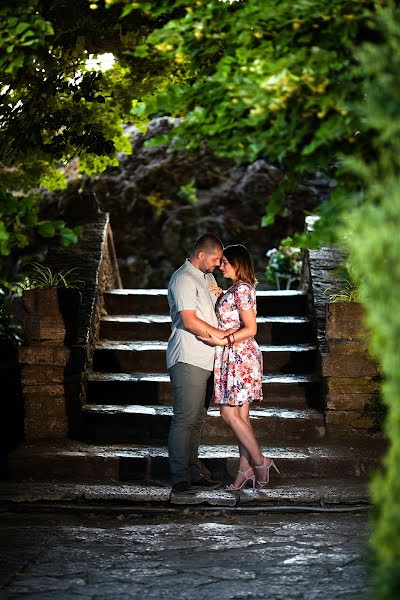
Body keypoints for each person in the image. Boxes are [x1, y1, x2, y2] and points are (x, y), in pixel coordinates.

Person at [198, 244, 279, 490]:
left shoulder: (242, 289)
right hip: (233, 355)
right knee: (241, 416)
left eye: (225, 262)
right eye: (220, 262)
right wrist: (220, 293)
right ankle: (245, 469)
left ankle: (260, 461)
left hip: (239, 356)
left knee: (228, 413)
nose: (221, 266)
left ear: (238, 264)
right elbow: (235, 314)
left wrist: (222, 338)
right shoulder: (237, 289)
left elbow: (251, 329)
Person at [166, 233, 237, 494]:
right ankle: (179, 477)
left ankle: (194, 472)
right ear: (201, 255)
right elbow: (189, 320)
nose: (219, 264)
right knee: (184, 418)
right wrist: (221, 338)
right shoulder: (183, 279)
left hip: (208, 359)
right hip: (188, 356)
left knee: (197, 420)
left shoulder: (206, 278)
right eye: (216, 259)